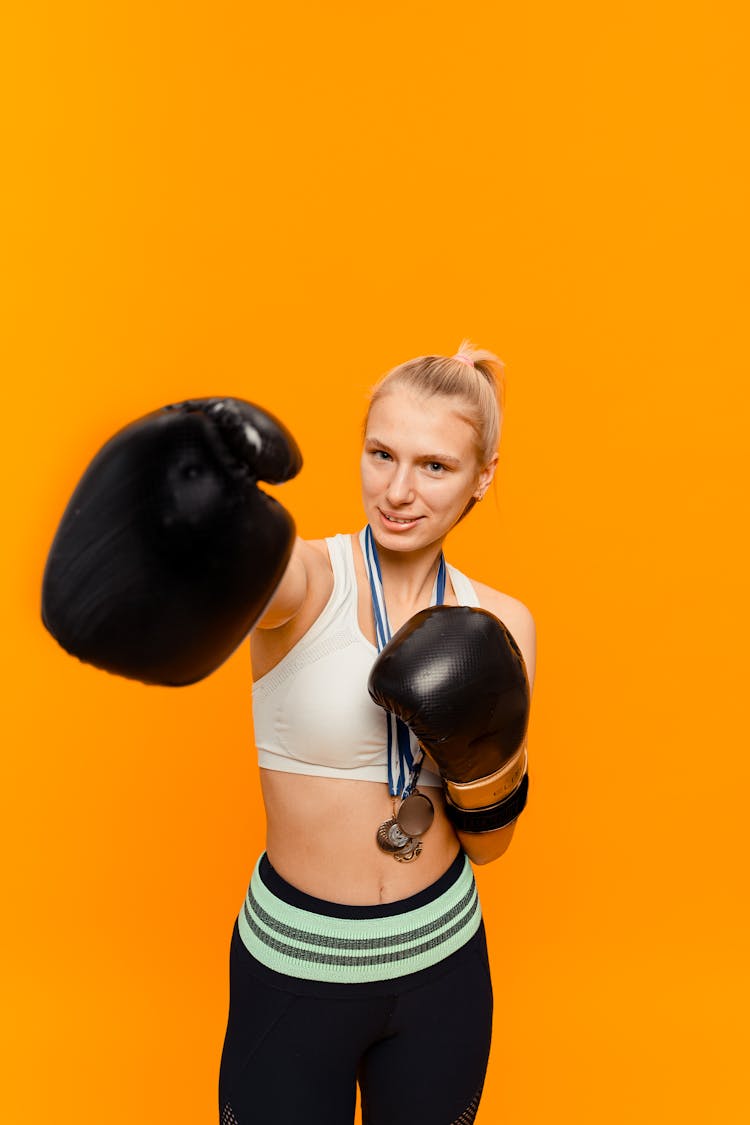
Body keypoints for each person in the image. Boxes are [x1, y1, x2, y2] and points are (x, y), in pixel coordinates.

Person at [217, 341, 537, 1125]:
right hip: (296, 965)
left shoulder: (503, 622)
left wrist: (476, 748)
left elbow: (491, 844)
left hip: (441, 964)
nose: (397, 490)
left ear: (483, 477)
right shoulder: (308, 581)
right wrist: (216, 502)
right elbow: (249, 572)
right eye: (380, 453)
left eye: (434, 465)